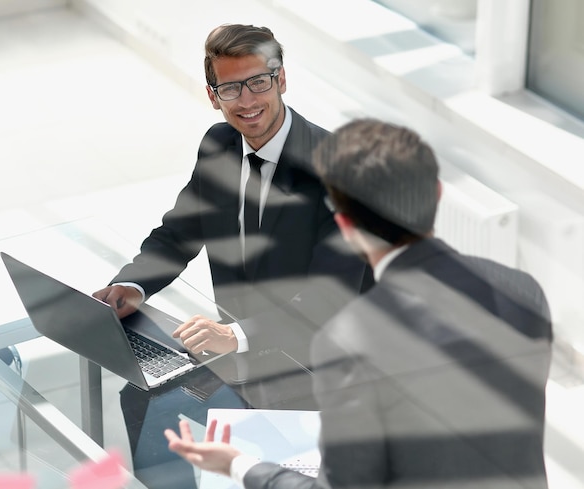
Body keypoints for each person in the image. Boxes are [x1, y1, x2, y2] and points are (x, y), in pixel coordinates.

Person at [164, 119, 553, 488]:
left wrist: (236, 463)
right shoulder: (523, 289)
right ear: (437, 192)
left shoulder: (350, 339)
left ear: (346, 228)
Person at [93, 23, 371, 489]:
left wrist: (235, 335)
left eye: (258, 82)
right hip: (242, 357)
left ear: (281, 79)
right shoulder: (219, 145)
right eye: (230, 88)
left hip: (316, 367)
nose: (246, 101)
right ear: (212, 95)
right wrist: (133, 284)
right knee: (145, 397)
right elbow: (178, 233)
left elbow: (330, 300)